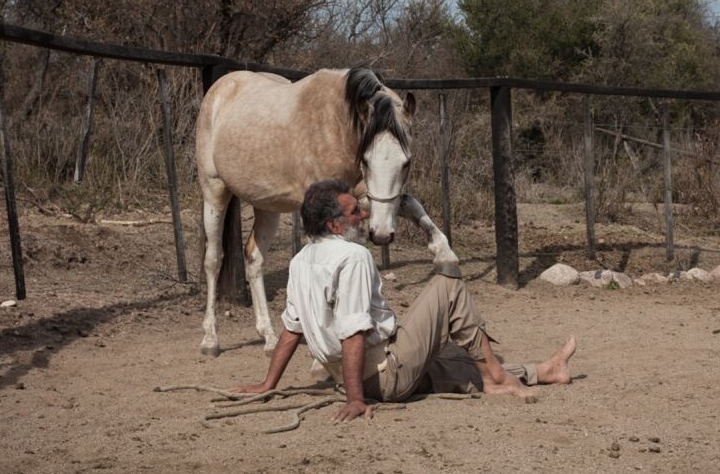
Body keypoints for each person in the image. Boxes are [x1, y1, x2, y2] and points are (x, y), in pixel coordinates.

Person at [232, 179, 577, 422]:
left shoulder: (300, 261)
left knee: (450, 362)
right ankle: (499, 378)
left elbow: (291, 331)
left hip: (360, 374)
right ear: (335, 226)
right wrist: (356, 400)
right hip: (382, 376)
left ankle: (544, 371)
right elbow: (352, 332)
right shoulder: (352, 256)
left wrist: (268, 384)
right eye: (354, 212)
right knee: (447, 283)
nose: (363, 215)